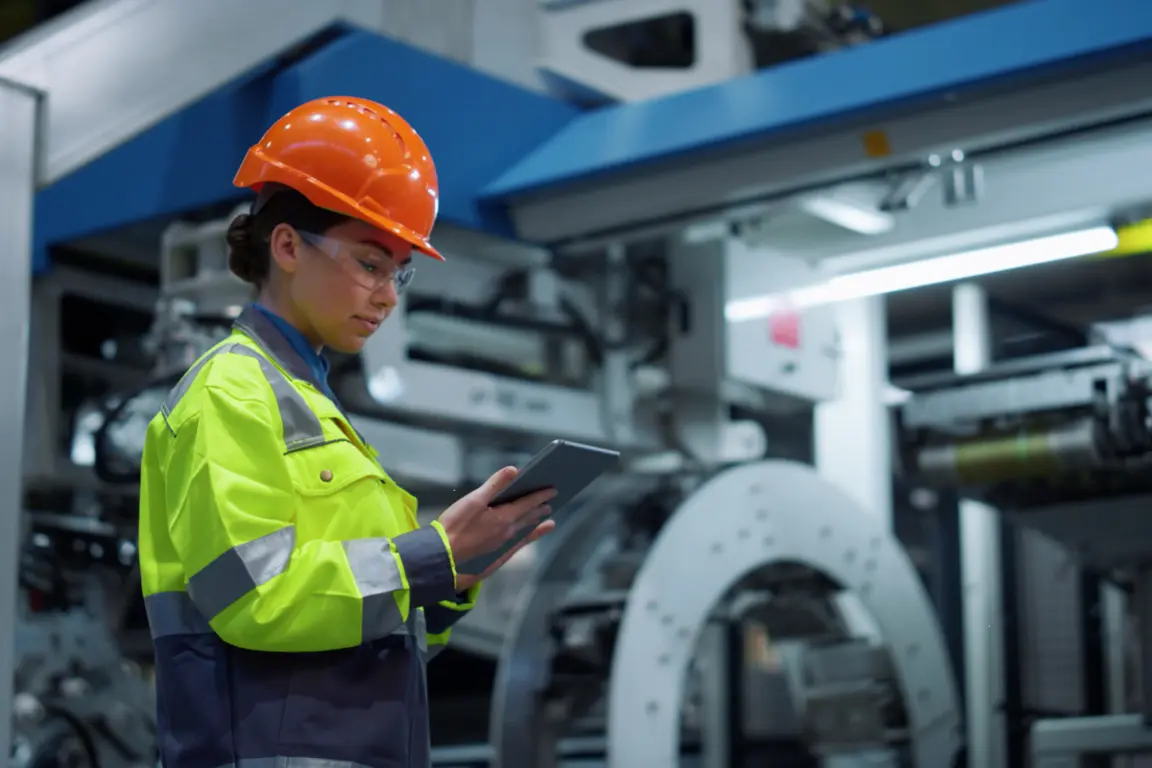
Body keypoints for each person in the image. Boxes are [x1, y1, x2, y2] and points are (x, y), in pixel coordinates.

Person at [137, 96, 556, 768]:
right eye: (369, 263)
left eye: (399, 271)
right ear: (287, 246)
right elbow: (255, 597)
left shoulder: (309, 407)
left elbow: (365, 632)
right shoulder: (232, 391)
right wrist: (431, 556)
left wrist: (454, 572)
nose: (388, 293)